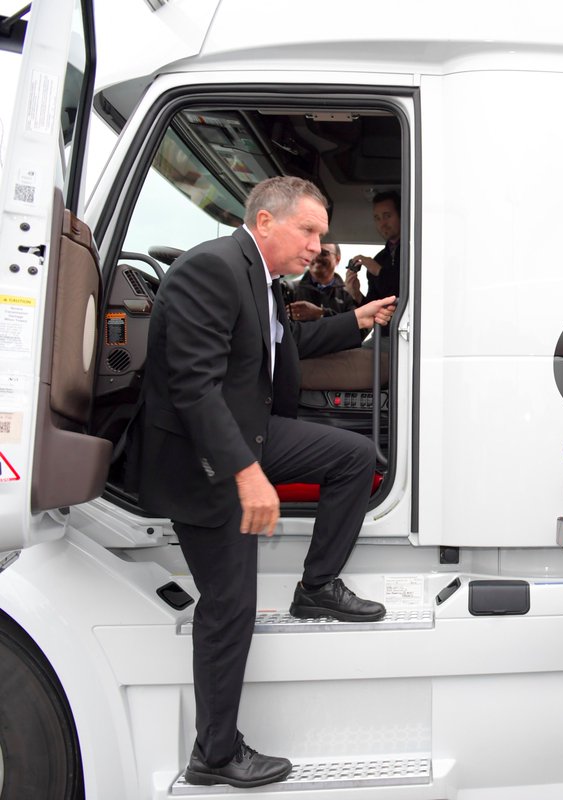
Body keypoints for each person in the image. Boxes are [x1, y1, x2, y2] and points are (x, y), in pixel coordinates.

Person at [136, 176, 398, 789]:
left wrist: (356, 318)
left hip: (249, 432)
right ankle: (215, 754)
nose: (316, 246)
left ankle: (318, 586)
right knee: (231, 606)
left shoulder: (260, 277)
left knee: (355, 456)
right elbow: (193, 388)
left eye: (321, 235)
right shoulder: (213, 269)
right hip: (204, 456)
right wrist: (247, 474)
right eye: (307, 231)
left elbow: (289, 344)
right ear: (264, 222)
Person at [346, 190, 403, 307]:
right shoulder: (378, 259)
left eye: (387, 216)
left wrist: (378, 271)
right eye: (377, 218)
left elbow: (406, 292)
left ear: (402, 215)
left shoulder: (416, 251)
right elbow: (374, 308)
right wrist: (357, 295)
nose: (382, 223)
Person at [286, 241, 362, 321]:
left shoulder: (348, 294)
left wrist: (321, 314)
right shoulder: (290, 290)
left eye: (324, 253)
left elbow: (358, 325)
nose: (317, 257)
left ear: (337, 259)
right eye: (312, 253)